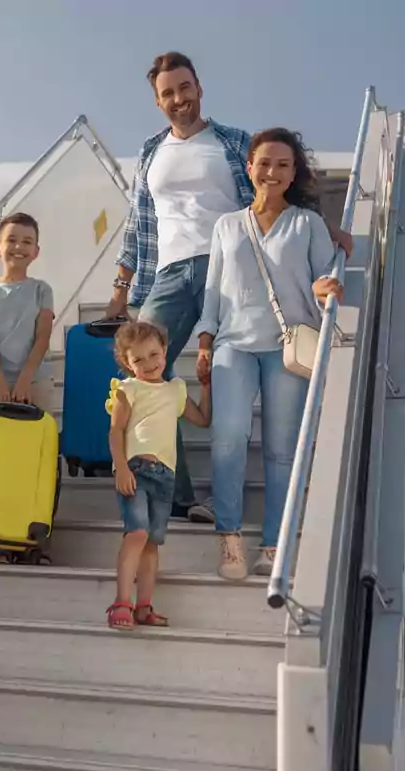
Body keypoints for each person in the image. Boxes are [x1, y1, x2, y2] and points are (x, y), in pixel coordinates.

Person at [104, 50, 353, 527]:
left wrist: (326, 226)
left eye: (185, 87)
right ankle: (175, 492)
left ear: (199, 88)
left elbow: (277, 188)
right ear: (158, 102)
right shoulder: (149, 153)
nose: (178, 99)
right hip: (171, 274)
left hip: (234, 271)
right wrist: (121, 287)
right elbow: (138, 225)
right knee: (140, 380)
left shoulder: (235, 141)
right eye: (167, 93)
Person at [193, 127, 344, 580]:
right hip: (232, 346)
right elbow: (214, 291)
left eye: (282, 164)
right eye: (264, 162)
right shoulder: (226, 225)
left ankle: (274, 544)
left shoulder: (308, 223)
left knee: (281, 452)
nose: (272, 171)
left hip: (288, 348)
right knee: (227, 441)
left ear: (294, 171)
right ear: (249, 166)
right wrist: (204, 342)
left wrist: (325, 287)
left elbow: (323, 278)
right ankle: (230, 540)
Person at [105, 320, 211, 630]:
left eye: (154, 354)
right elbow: (116, 431)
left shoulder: (175, 389)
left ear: (165, 351)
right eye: (138, 359)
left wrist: (206, 385)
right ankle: (121, 602)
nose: (149, 363)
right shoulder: (128, 389)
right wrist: (121, 468)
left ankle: (144, 606)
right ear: (127, 363)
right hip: (135, 471)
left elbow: (203, 420)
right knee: (136, 534)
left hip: (166, 477)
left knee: (152, 543)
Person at [0, 211, 55, 565]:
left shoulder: (41, 290)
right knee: (1, 462)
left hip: (35, 381)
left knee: (36, 463)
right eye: (12, 240)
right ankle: (1, 538)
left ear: (36, 251)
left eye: (27, 241)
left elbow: (43, 336)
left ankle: (35, 540)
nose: (19, 247)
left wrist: (25, 378)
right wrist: (1, 380)